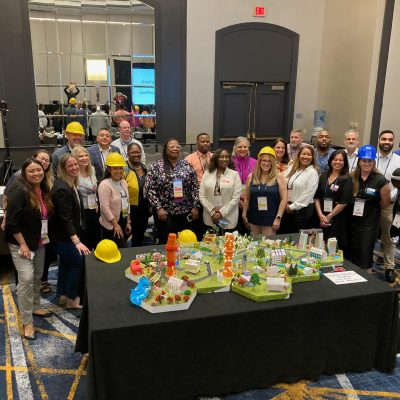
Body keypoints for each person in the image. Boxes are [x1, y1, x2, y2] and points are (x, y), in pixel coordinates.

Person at [4, 158, 54, 340]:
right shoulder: (20, 190)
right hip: (21, 243)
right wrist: (23, 244)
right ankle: (27, 322)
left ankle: (35, 306)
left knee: (38, 275)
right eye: (32, 171)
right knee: (26, 279)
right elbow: (11, 223)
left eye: (39, 170)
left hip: (40, 240)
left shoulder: (43, 188)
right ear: (24, 174)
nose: (36, 173)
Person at [50, 154, 90, 309]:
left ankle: (62, 295)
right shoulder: (62, 188)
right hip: (63, 237)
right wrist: (76, 241)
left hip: (65, 236)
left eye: (75, 165)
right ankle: (71, 298)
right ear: (62, 168)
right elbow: (65, 218)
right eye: (70, 166)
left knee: (66, 265)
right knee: (76, 262)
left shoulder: (70, 184)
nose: (74, 168)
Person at [144, 138, 200, 244]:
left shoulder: (186, 165)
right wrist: (158, 207)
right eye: (172, 146)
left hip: (185, 212)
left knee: (185, 241)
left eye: (177, 147)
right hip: (165, 213)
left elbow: (195, 187)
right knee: (167, 241)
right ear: (165, 149)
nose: (175, 149)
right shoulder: (156, 166)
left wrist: (195, 206)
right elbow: (150, 188)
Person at [348, 145, 390, 274]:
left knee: (365, 253)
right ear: (359, 161)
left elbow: (385, 203)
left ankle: (366, 285)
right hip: (350, 222)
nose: (366, 163)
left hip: (369, 223)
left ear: (374, 162)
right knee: (350, 252)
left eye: (369, 161)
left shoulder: (381, 180)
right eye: (364, 160)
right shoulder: (351, 177)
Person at [314, 149, 353, 256]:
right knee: (319, 247)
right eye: (335, 159)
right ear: (331, 161)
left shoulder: (346, 179)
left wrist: (329, 217)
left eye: (341, 160)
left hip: (337, 219)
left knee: (333, 250)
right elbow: (317, 197)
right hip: (321, 217)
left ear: (344, 162)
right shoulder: (324, 176)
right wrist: (320, 215)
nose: (338, 162)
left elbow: (343, 202)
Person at [242, 146, 287, 236]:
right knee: (254, 245)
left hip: (271, 218)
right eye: (264, 161)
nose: (266, 163)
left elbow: (284, 199)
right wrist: (244, 214)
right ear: (259, 162)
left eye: (269, 161)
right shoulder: (252, 176)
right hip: (254, 217)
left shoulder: (279, 177)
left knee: (268, 246)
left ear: (273, 162)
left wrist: (278, 218)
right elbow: (247, 197)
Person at [375, 129, 400, 278]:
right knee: (369, 233)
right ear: (379, 140)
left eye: (390, 140)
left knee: (389, 235)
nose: (386, 142)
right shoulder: (371, 158)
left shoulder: (398, 160)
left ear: (393, 142)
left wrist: (389, 197)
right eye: (384, 139)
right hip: (370, 204)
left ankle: (389, 266)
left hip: (389, 204)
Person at [199, 148, 242, 232]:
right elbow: (201, 196)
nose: (224, 159)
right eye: (221, 157)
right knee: (210, 243)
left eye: (227, 157)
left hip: (228, 217)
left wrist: (221, 213)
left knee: (227, 243)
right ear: (216, 158)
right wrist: (212, 212)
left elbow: (236, 198)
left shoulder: (234, 175)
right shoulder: (207, 174)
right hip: (210, 217)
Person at [282, 144, 319, 233]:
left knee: (297, 240)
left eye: (309, 155)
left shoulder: (312, 173)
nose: (305, 157)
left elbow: (307, 195)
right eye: (303, 154)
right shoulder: (292, 168)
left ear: (312, 158)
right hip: (288, 207)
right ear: (299, 155)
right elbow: (284, 183)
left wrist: (291, 207)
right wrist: (285, 202)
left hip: (302, 211)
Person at [98, 153, 132, 248]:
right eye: (115, 168)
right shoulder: (105, 185)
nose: (119, 171)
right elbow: (104, 208)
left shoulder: (124, 182)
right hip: (111, 224)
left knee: (122, 249)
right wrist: (115, 225)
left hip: (123, 219)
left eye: (120, 168)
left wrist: (128, 222)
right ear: (109, 169)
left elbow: (126, 203)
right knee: (121, 249)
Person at [71, 146, 100, 250]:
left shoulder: (92, 169)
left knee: (95, 239)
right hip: (81, 212)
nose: (84, 158)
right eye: (80, 156)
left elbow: (94, 189)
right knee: (85, 241)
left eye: (86, 155)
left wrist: (96, 203)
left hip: (93, 209)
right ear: (75, 158)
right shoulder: (73, 173)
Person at [232, 136, 257, 234]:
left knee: (250, 231)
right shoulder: (229, 162)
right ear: (235, 148)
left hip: (251, 201)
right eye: (240, 147)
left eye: (245, 147)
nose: (243, 149)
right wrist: (238, 201)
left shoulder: (255, 162)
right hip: (233, 202)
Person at [126, 143, 149, 246]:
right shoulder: (124, 168)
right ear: (128, 154)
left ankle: (137, 258)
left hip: (144, 207)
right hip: (130, 209)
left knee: (139, 235)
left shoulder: (144, 167)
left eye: (138, 152)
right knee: (128, 235)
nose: (136, 155)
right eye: (133, 152)